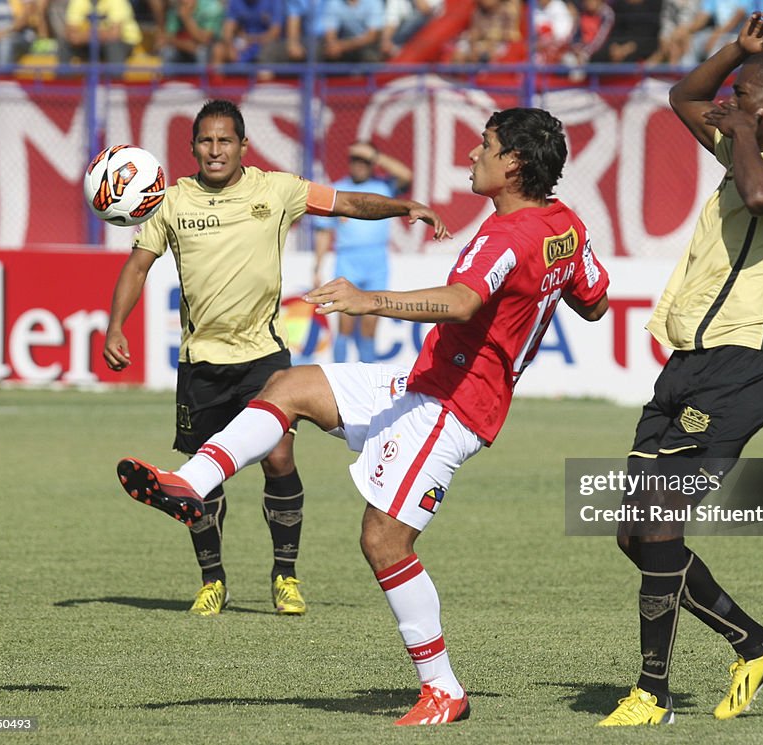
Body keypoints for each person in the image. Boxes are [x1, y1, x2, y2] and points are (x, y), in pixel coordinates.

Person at [114, 107, 610, 725]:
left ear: (513, 163)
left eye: (484, 146)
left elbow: (461, 303)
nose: (471, 156)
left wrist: (366, 299)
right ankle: (193, 483)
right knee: (289, 384)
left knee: (383, 541)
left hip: (453, 407)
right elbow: (594, 302)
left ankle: (443, 689)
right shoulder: (566, 225)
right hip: (426, 381)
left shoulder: (503, 235)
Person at [103, 99, 448, 617]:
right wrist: (114, 326)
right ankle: (212, 579)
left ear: (244, 145)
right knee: (203, 473)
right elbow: (136, 268)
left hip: (265, 357)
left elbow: (347, 203)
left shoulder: (277, 189)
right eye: (205, 141)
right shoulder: (171, 203)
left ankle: (286, 574)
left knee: (280, 458)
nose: (214, 150)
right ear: (192, 147)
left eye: (224, 141)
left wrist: (403, 207)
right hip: (201, 362)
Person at [598, 13, 763, 727]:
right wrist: (737, 51)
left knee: (659, 526)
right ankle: (755, 643)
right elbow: (680, 98)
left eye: (742, 93)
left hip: (739, 367)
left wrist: (733, 131)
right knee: (634, 533)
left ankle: (653, 694)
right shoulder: (742, 149)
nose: (725, 101)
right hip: (687, 364)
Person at [312, 140, 412, 364]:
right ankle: (338, 379)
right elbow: (323, 232)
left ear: (371, 163)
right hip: (348, 261)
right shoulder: (337, 190)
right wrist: (317, 267)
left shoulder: (384, 188)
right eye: (354, 160)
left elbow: (406, 175)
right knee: (345, 325)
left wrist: (374, 155)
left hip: (376, 262)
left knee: (370, 326)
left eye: (363, 160)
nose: (358, 165)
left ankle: (368, 384)